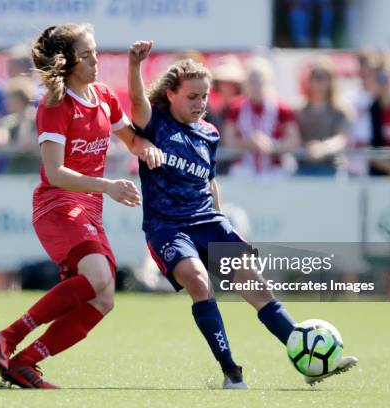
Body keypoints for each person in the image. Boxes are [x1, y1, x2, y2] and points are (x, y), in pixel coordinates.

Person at [127, 40, 358, 388]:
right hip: (167, 227)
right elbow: (136, 101)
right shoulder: (154, 122)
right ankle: (231, 372)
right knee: (199, 281)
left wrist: (222, 225)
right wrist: (134, 67)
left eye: (204, 97)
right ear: (171, 94)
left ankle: (309, 359)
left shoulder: (209, 133)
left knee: (257, 287)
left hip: (208, 221)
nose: (200, 103)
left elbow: (210, 180)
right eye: (192, 96)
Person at [0, 24, 163, 389]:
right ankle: (7, 336)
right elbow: (55, 173)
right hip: (56, 204)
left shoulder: (103, 96)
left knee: (105, 297)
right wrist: (108, 186)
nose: (96, 60)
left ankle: (24, 363)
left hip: (88, 207)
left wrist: (149, 148)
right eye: (86, 55)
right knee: (99, 278)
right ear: (66, 63)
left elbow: (134, 140)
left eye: (96, 52)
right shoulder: (55, 105)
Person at [223, 57, 300, 180]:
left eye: (260, 80)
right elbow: (228, 140)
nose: (256, 85)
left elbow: (294, 140)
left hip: (274, 171)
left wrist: (273, 146)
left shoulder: (282, 107)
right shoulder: (235, 107)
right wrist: (248, 144)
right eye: (252, 81)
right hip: (243, 170)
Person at [296, 58, 351, 176]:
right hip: (303, 169)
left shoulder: (340, 110)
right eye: (315, 77)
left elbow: (341, 139)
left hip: (331, 169)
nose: (319, 82)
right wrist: (308, 148)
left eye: (323, 77)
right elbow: (293, 138)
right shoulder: (298, 110)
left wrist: (322, 148)